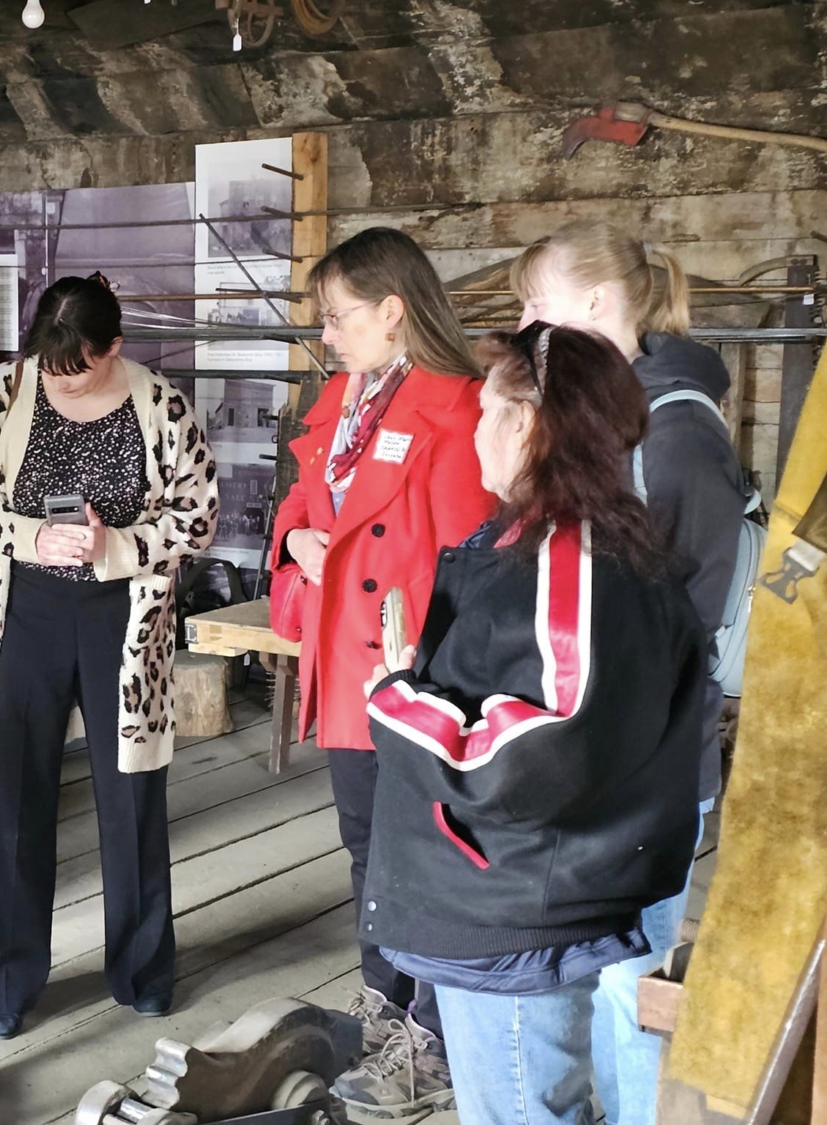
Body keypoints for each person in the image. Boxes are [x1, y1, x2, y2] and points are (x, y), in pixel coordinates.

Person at [361, 323, 708, 1125]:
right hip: (511, 890)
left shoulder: (571, 557)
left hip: (515, 910)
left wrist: (398, 698)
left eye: (487, 409)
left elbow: (543, 744)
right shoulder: (557, 540)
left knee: (523, 1112)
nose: (476, 427)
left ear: (528, 423)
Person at [511, 222, 747, 1125]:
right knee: (588, 970)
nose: (527, 320)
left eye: (539, 302)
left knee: (625, 983)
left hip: (643, 760)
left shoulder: (677, 433)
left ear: (599, 306)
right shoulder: (612, 418)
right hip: (592, 745)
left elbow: (686, 614)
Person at [0, 272, 218, 1040]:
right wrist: (33, 536)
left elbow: (198, 517)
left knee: (130, 794)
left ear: (115, 349)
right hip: (25, 605)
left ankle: (142, 970)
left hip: (122, 614)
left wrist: (117, 544)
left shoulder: (159, 403)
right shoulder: (7, 389)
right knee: (15, 795)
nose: (62, 387)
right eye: (51, 373)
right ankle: (3, 983)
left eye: (81, 372)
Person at [269, 227, 495, 1114]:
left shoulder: (458, 408)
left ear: (393, 312)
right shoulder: (342, 398)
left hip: (418, 675)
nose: (327, 334)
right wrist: (295, 538)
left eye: (338, 316)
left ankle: (435, 1039)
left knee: (430, 854)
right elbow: (299, 498)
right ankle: (386, 1003)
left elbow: (471, 564)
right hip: (344, 660)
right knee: (367, 847)